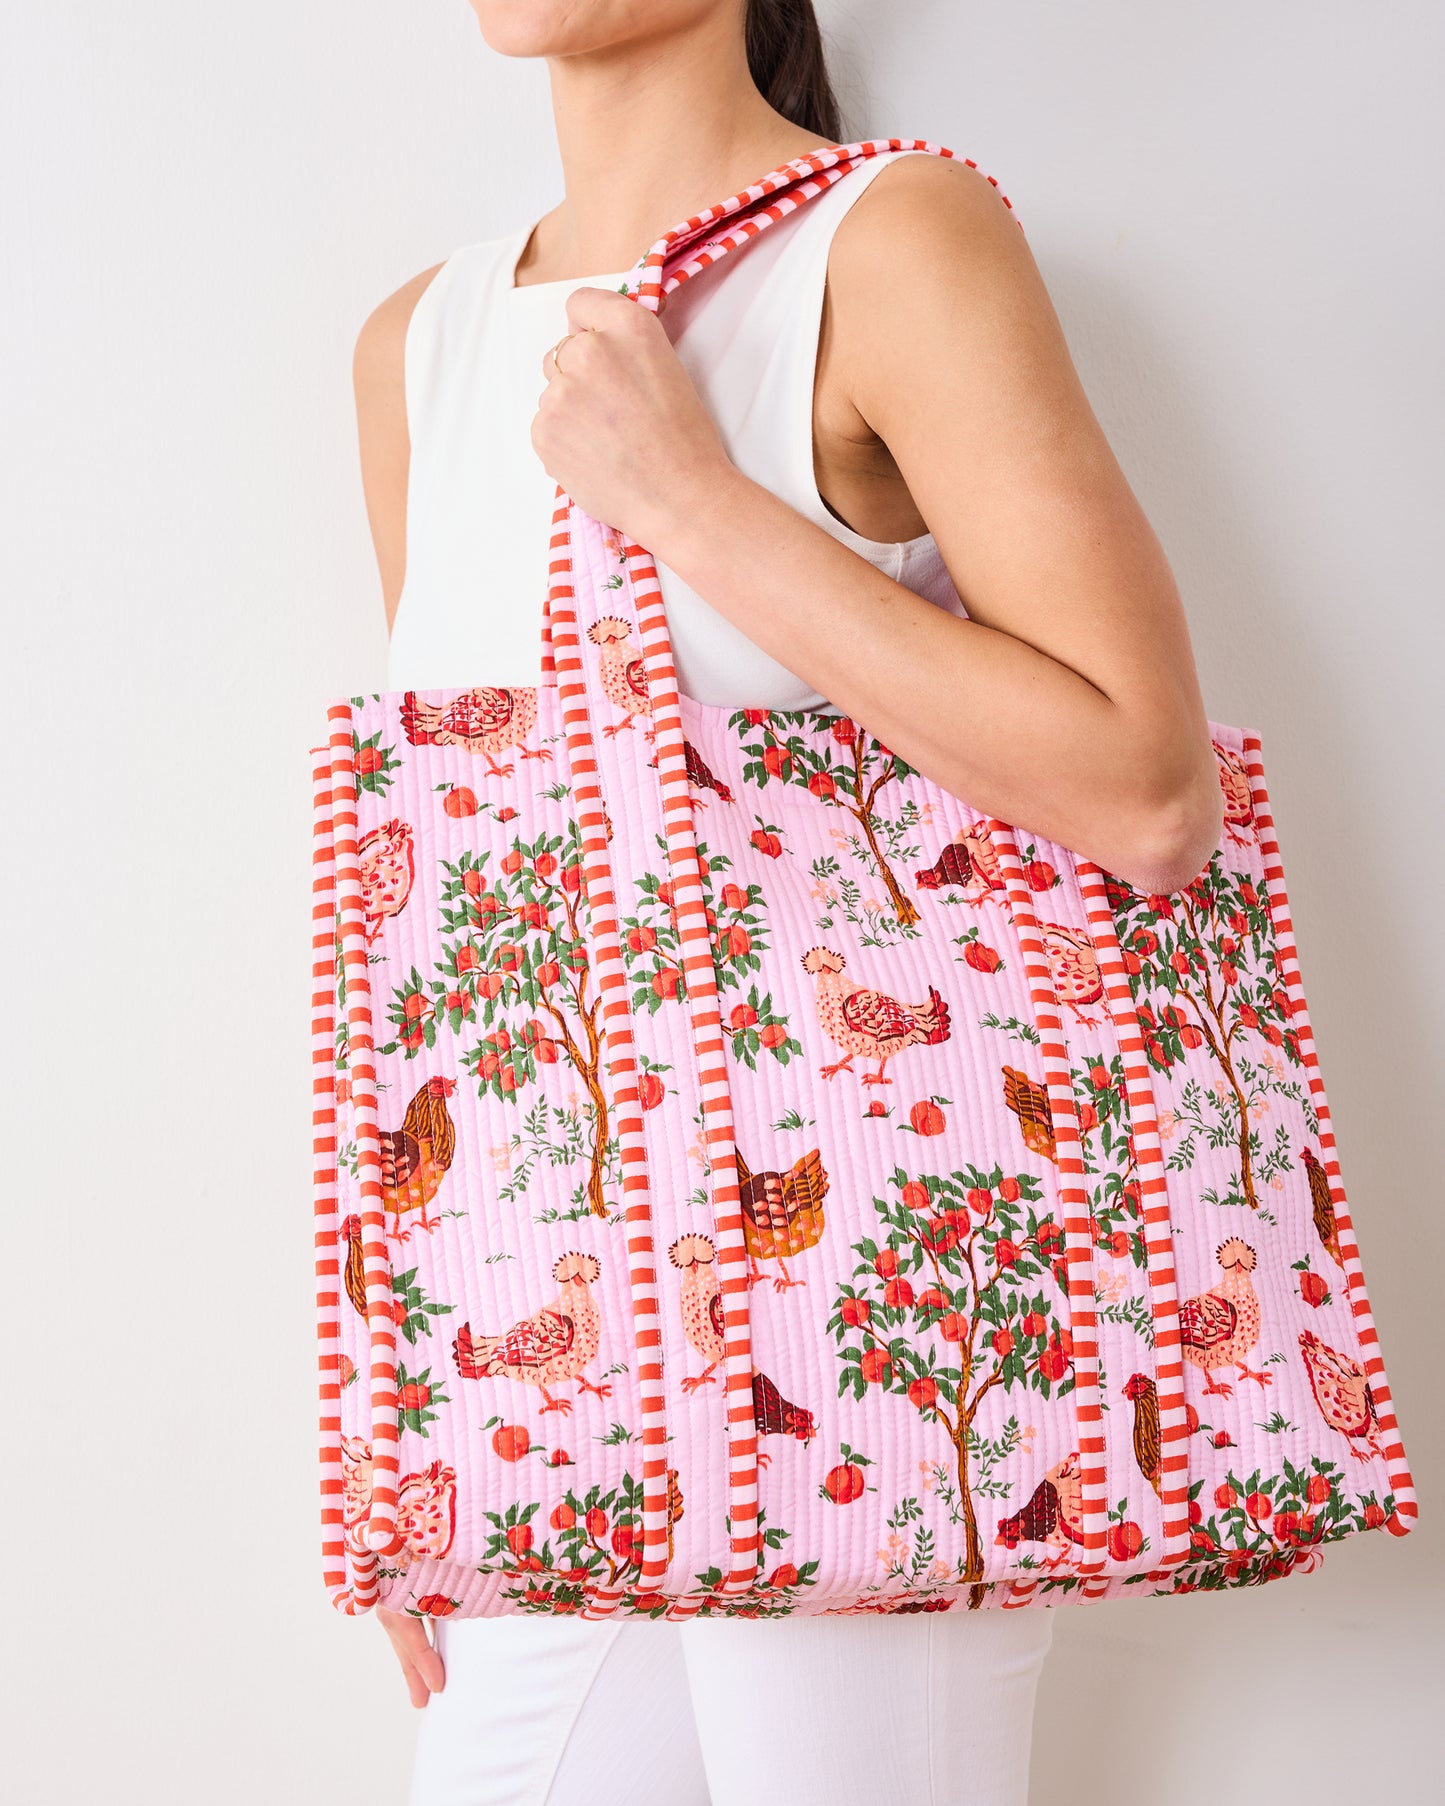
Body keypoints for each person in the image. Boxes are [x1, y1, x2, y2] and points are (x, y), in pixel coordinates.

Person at [350, 3, 1223, 1801]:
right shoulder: (418, 341)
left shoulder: (889, 240)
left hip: (874, 1307)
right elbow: (454, 923)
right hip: (567, 1347)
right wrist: (423, 1402)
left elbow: (1145, 795)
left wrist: (689, 501)